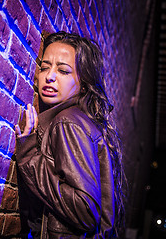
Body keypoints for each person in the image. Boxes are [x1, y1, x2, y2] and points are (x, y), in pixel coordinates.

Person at [14, 31, 126, 239]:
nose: (50, 76)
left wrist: (29, 156)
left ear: (83, 83)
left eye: (63, 71)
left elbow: (86, 211)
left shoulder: (68, 122)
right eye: (45, 67)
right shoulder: (82, 121)